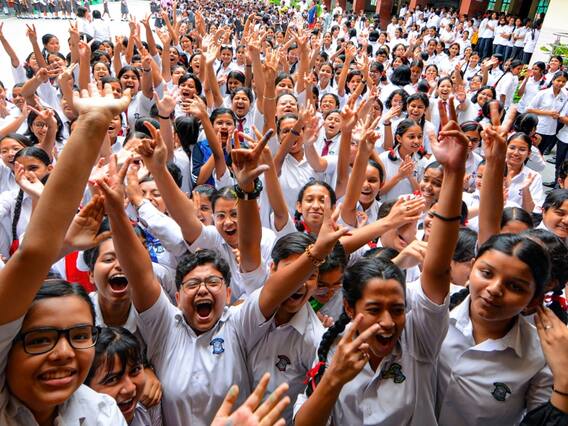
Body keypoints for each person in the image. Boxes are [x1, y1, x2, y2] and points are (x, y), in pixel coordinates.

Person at [0, 84, 132, 425]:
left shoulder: (102, 413)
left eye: (80, 336)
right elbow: (31, 257)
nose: (63, 354)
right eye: (40, 339)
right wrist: (91, 123)